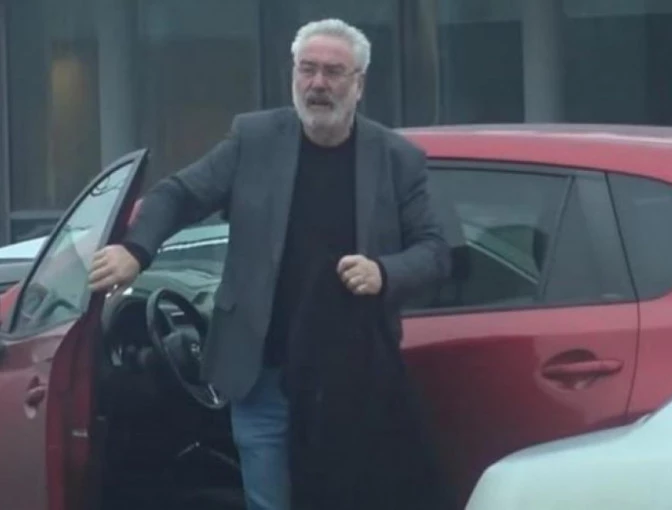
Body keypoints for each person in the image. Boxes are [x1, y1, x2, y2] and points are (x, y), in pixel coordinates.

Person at [88, 18, 451, 510]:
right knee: (268, 501)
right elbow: (180, 194)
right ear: (293, 74)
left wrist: (383, 273)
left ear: (359, 84)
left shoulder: (396, 158)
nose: (317, 83)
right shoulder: (254, 139)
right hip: (262, 375)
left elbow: (435, 251)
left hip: (349, 379)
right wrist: (136, 251)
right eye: (307, 69)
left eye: (333, 72)